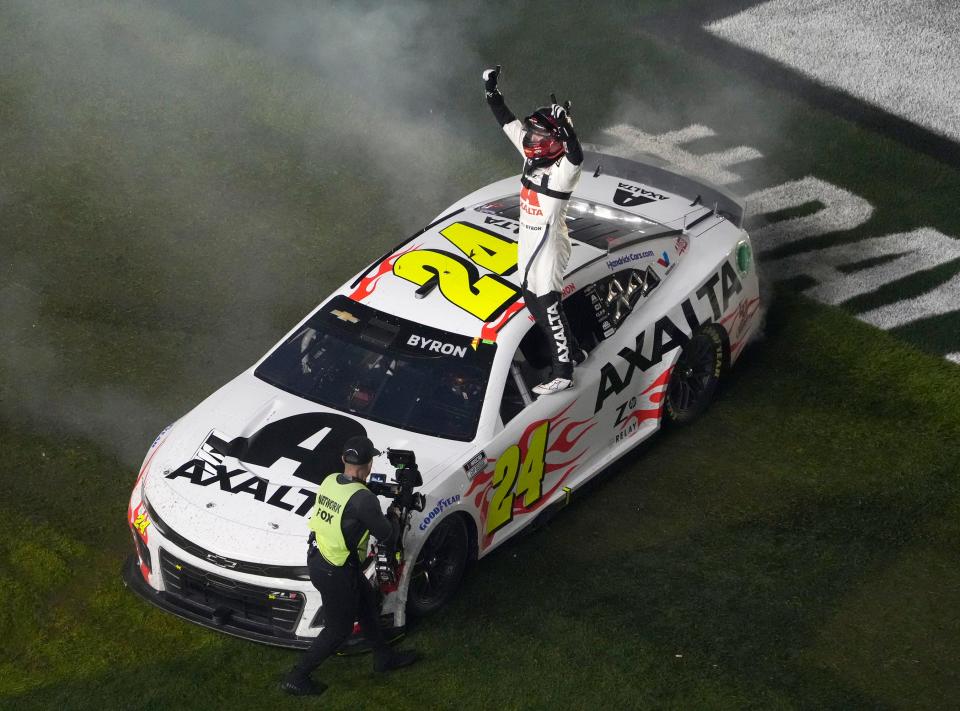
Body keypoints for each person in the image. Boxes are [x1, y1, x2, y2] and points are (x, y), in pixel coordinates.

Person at [281, 436, 419, 696]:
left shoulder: (330, 480)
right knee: (338, 630)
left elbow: (348, 509)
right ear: (368, 466)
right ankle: (297, 677)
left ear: (344, 459)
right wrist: (397, 513)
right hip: (338, 569)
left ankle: (383, 658)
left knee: (367, 603)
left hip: (321, 558)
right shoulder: (364, 500)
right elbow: (388, 535)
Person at [483, 64, 587, 395]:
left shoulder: (562, 173)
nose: (530, 137)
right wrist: (491, 90)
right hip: (528, 241)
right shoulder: (532, 158)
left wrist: (568, 131)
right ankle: (574, 352)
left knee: (549, 305)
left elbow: (576, 156)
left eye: (538, 134)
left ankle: (564, 372)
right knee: (531, 300)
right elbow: (507, 122)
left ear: (552, 142)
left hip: (550, 245)